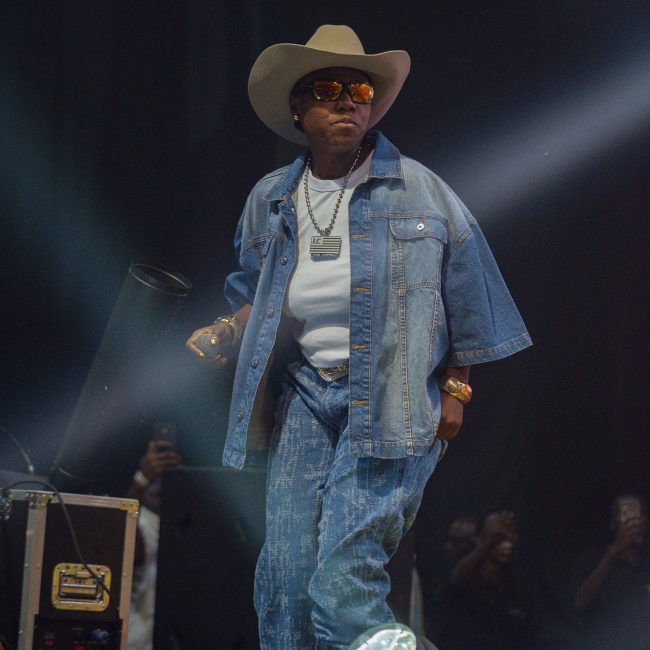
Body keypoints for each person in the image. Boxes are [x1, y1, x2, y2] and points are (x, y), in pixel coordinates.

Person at [187, 24, 532, 650]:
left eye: (360, 90)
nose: (347, 101)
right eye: (329, 90)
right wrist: (224, 330)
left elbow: (474, 300)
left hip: (392, 398)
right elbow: (257, 294)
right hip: (303, 397)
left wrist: (456, 388)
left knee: (343, 577)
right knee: (284, 578)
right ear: (298, 106)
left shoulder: (421, 189)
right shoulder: (272, 198)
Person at [572, 494, 650, 649]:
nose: (632, 521)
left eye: (638, 513)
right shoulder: (593, 558)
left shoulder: (646, 565)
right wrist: (613, 553)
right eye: (625, 513)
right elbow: (577, 606)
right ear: (613, 522)